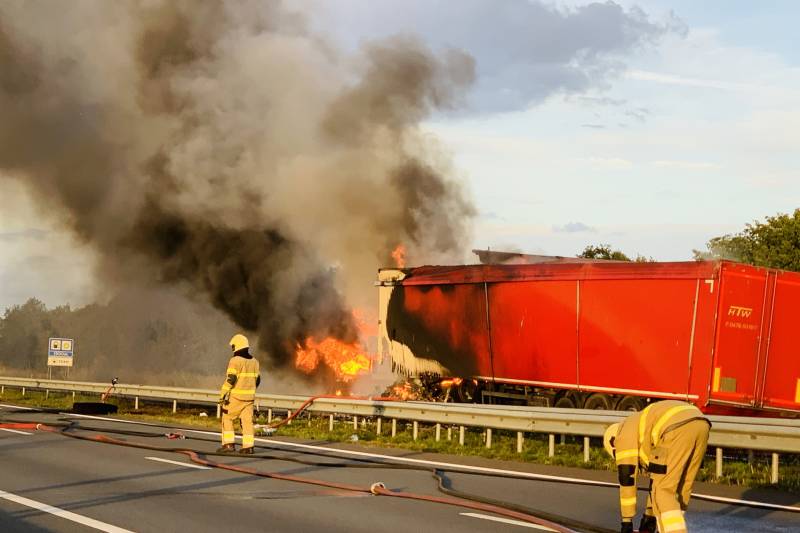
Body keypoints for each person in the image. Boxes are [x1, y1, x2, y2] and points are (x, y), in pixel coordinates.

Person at [603, 400, 710, 533]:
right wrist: (649, 515)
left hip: (675, 428)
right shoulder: (639, 427)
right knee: (681, 488)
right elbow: (657, 475)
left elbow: (627, 477)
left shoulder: (622, 437)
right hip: (701, 423)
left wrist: (626, 521)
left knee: (664, 491)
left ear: (614, 445)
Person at [217, 333, 261, 454]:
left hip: (236, 398)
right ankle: (248, 446)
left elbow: (231, 379)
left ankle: (229, 444)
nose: (232, 349)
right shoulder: (255, 362)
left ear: (237, 346)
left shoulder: (235, 361)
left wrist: (223, 394)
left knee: (227, 418)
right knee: (247, 422)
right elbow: (257, 380)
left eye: (233, 346)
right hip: (249, 399)